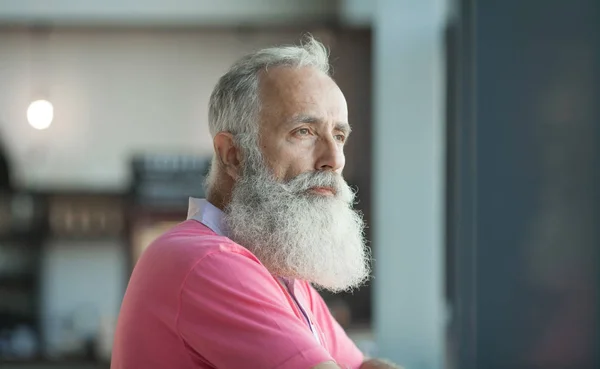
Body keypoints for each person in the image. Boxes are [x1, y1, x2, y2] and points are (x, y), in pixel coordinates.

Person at [111, 36, 401, 369]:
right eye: (304, 131)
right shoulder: (205, 261)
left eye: (338, 135)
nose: (333, 160)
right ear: (233, 155)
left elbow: (363, 366)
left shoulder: (281, 275)